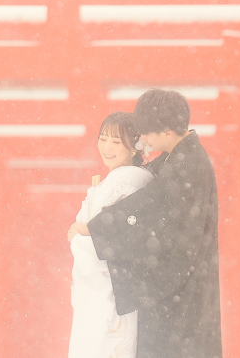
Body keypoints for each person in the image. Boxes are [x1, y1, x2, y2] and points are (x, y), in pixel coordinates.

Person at [69, 89, 222, 358]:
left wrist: (97, 229)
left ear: (166, 131)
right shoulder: (177, 157)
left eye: (147, 133)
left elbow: (156, 212)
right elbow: (154, 201)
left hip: (183, 293)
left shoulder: (189, 165)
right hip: (182, 289)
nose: (145, 141)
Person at [67, 112, 154, 358]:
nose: (107, 147)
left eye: (116, 142)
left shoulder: (125, 184)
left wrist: (79, 236)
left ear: (135, 147)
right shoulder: (120, 181)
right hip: (108, 288)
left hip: (111, 289)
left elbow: (111, 238)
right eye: (103, 139)